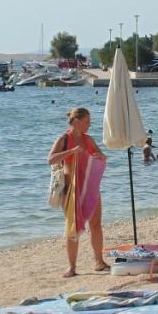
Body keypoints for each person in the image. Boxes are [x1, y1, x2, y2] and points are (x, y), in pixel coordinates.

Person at [47, 107, 108, 277]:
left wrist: (100, 157)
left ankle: (99, 261)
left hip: (90, 188)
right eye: (87, 121)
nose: (89, 125)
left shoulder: (88, 140)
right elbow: (50, 159)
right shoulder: (64, 139)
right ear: (76, 121)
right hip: (71, 190)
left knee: (96, 224)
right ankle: (72, 267)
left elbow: (101, 156)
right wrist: (71, 152)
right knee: (72, 228)